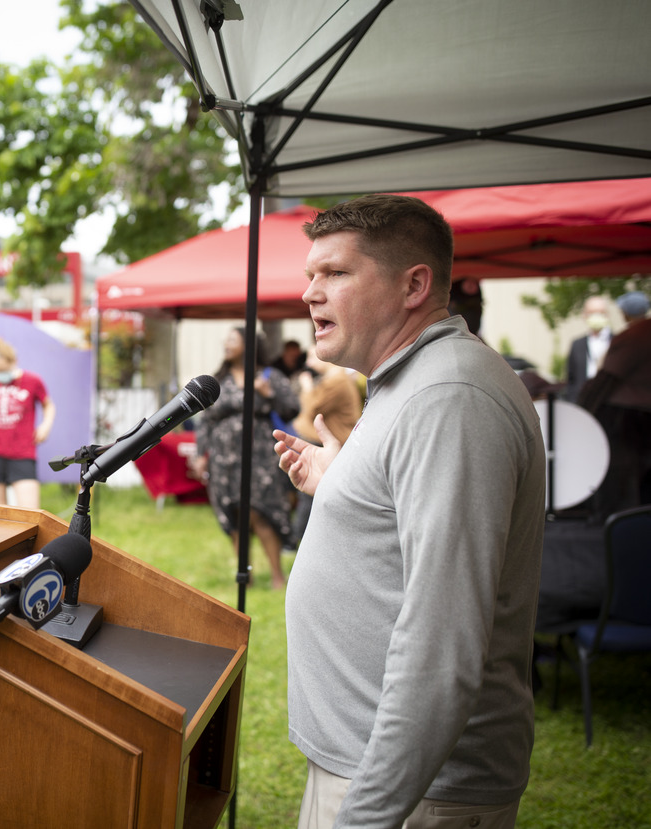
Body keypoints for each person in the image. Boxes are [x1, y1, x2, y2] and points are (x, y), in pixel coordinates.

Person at [273, 195, 545, 828]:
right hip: (381, 776)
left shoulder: (449, 397)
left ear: (414, 284)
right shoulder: (408, 380)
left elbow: (442, 647)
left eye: (335, 273)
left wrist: (367, 816)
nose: (311, 293)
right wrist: (343, 485)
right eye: (310, 275)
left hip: (412, 795)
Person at [191, 326, 299, 590]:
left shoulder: (268, 376)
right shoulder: (218, 380)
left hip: (260, 457)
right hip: (225, 459)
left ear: (248, 345)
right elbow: (205, 420)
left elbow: (291, 409)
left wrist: (267, 395)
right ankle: (245, 577)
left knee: (262, 514)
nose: (226, 344)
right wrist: (200, 454)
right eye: (225, 339)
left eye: (233, 339)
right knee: (236, 516)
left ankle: (277, 576)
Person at [578, 290, 651, 513]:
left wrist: (583, 406)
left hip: (628, 420)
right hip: (638, 417)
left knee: (623, 479)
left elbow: (607, 378)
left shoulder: (635, 335)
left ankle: (623, 524)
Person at [284, 346, 363, 551]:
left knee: (311, 496)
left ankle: (297, 543)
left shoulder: (336, 380)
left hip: (334, 445)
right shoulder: (335, 379)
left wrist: (307, 386)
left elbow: (310, 407)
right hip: (331, 443)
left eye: (312, 357)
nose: (308, 363)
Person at [0, 337, 55, 510]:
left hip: (22, 452)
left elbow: (49, 405)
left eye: (3, 369)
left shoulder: (32, 381)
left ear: (14, 362)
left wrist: (45, 426)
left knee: (30, 513)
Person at [565, 295, 613, 403]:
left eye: (600, 312)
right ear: (584, 315)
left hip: (608, 402)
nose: (596, 316)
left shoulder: (616, 342)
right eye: (592, 312)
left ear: (607, 315)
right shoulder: (577, 344)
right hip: (582, 402)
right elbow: (570, 378)